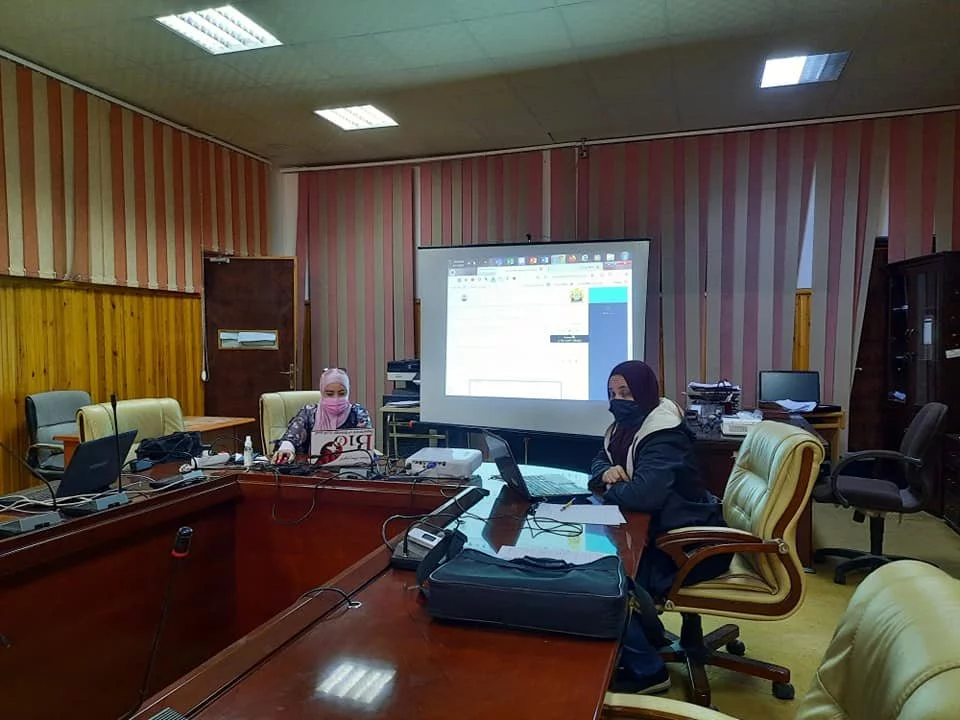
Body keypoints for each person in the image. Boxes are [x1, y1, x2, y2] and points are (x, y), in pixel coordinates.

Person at [590, 360, 730, 695]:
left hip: (692, 545)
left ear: (644, 392)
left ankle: (648, 671)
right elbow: (598, 460)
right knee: (608, 564)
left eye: (625, 392)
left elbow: (644, 495)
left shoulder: (664, 434)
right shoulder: (624, 429)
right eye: (612, 393)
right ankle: (642, 641)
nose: (618, 400)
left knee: (609, 578)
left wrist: (610, 487)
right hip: (665, 533)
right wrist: (607, 473)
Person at [272, 367, 372, 463]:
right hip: (312, 470)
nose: (336, 398)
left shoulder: (358, 413)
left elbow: (366, 445)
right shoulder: (309, 413)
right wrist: (286, 448)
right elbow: (291, 437)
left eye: (342, 394)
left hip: (349, 470)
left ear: (348, 392)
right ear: (322, 392)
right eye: (330, 394)